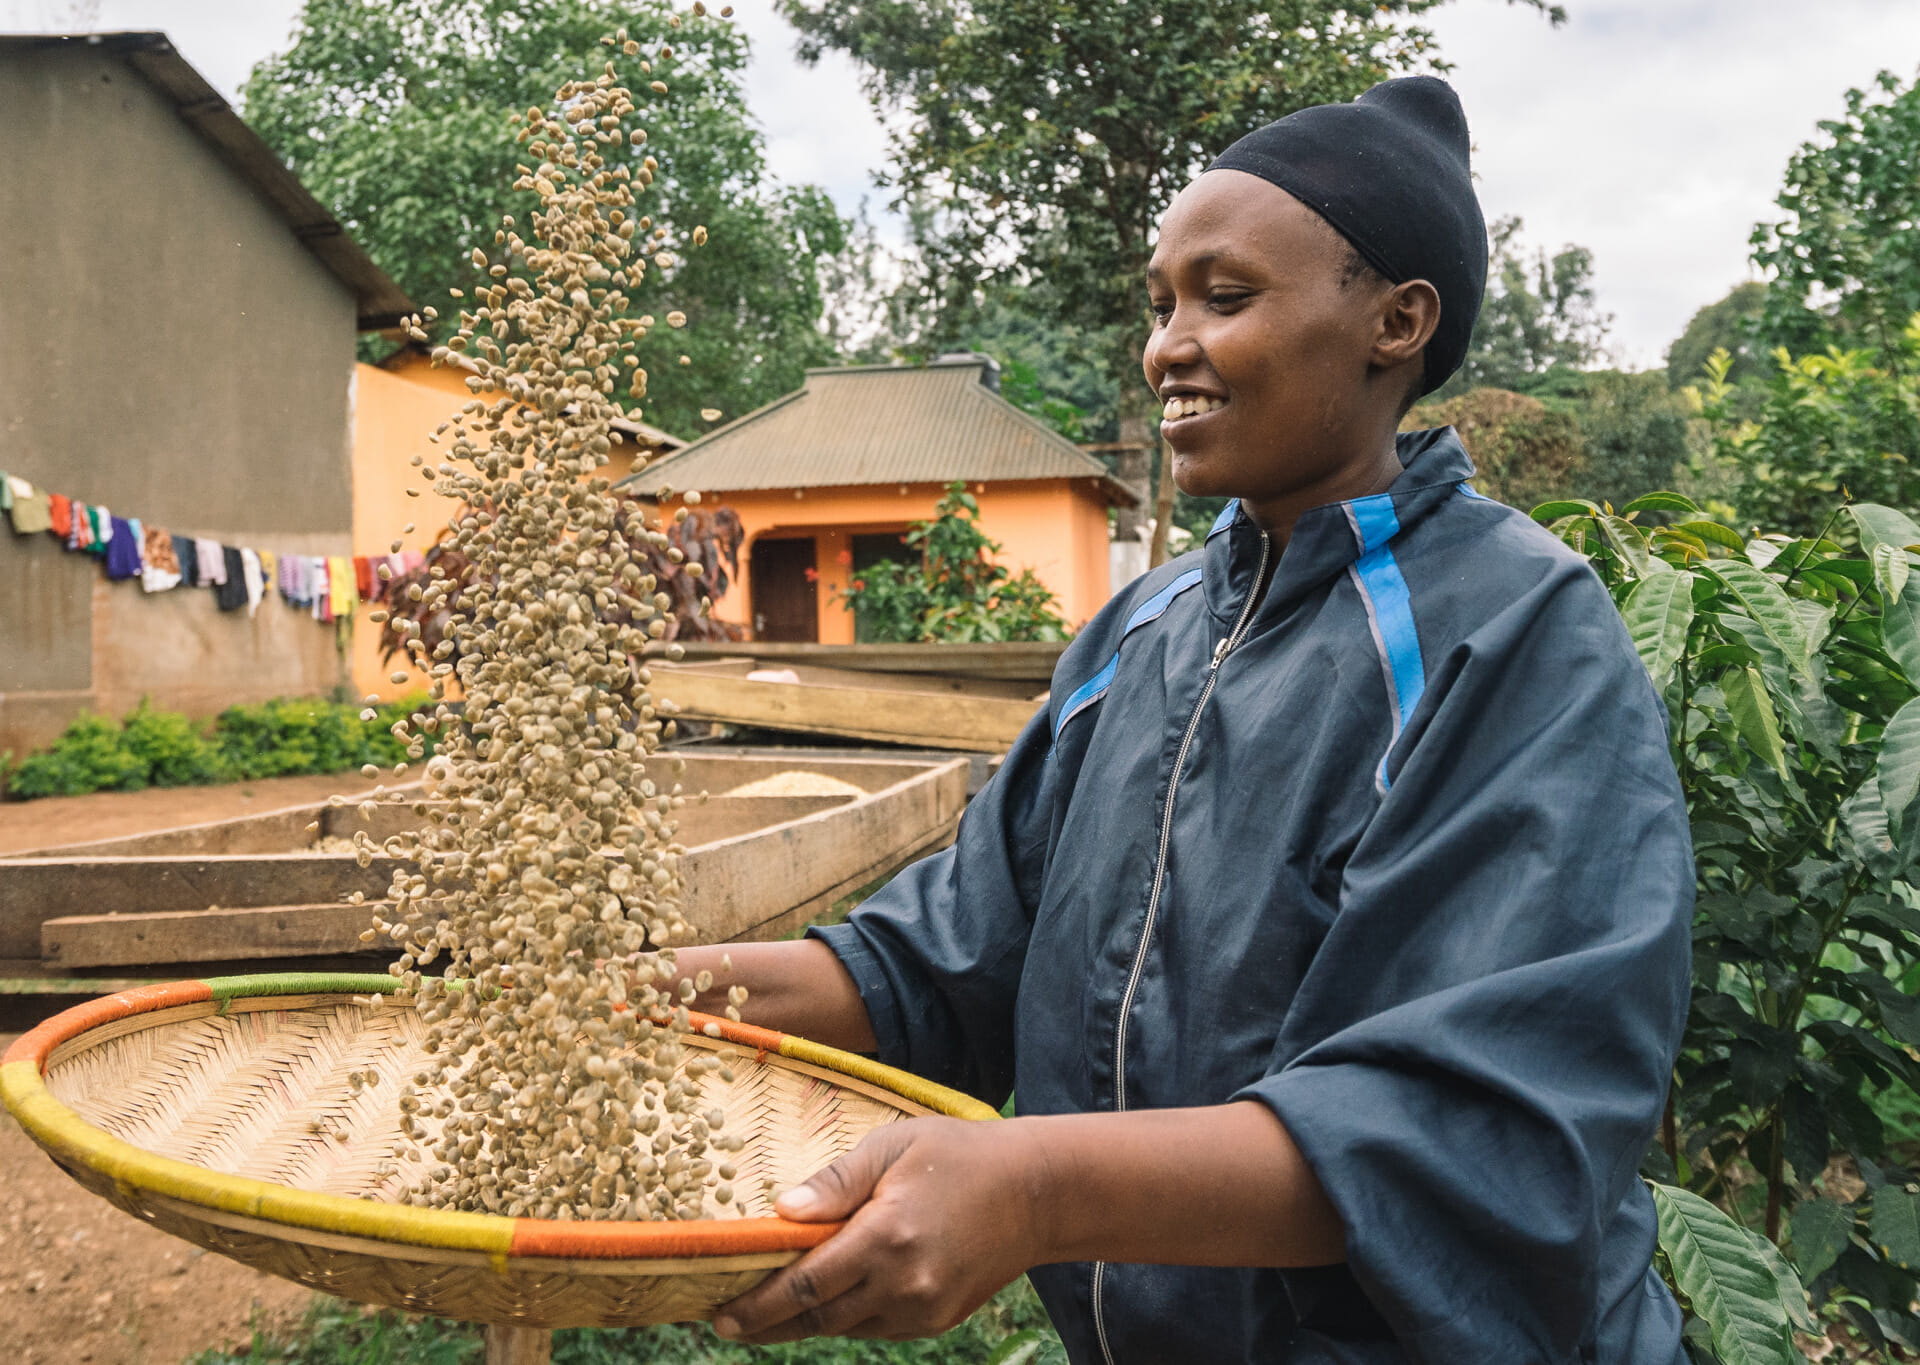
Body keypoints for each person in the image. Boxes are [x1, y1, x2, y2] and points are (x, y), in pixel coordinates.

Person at [672, 76, 1694, 1364]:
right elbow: (948, 959)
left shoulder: (1516, 632)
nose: (1167, 345)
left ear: (1397, 320)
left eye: (1226, 296)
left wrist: (1035, 1190)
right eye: (1160, 305)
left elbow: (1481, 1121)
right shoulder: (1143, 631)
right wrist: (660, 1001)